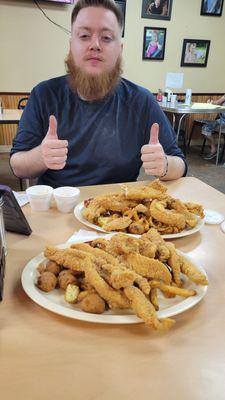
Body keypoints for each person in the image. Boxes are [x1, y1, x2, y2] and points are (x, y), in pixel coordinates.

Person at [10, 0, 186, 188]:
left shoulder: (141, 101)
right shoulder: (44, 94)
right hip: (59, 206)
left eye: (107, 37)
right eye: (84, 35)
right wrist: (41, 156)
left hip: (120, 211)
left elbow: (180, 165)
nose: (95, 45)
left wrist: (165, 164)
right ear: (71, 46)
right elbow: (18, 165)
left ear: (120, 50)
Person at [201, 94, 225, 160]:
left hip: (223, 121)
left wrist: (211, 102)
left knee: (205, 129)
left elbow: (218, 102)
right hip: (222, 119)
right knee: (206, 128)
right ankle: (215, 149)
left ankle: (214, 149)